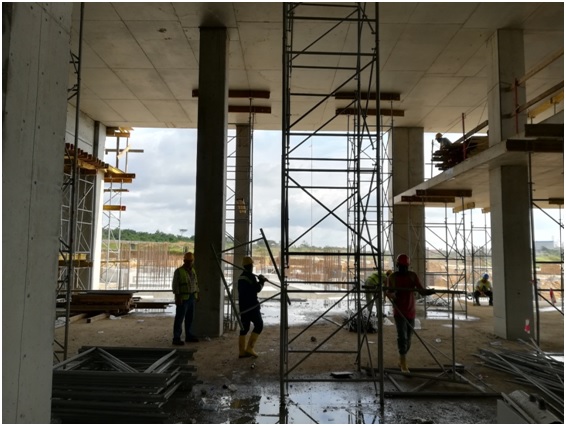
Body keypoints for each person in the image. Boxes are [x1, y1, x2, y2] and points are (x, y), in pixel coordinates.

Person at [385, 254, 434, 373]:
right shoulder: (392, 277)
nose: (403, 269)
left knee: (409, 339)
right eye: (401, 267)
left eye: (405, 267)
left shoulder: (412, 276)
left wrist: (428, 292)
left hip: (410, 311)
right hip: (399, 311)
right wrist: (392, 295)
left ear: (408, 266)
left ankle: (402, 358)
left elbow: (420, 290)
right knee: (402, 336)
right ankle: (403, 363)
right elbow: (388, 292)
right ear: (397, 266)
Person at [238, 256, 267, 358]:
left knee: (244, 328)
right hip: (252, 306)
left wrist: (259, 280)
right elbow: (257, 289)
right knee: (259, 325)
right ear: (250, 266)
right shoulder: (250, 277)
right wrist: (262, 281)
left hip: (243, 307)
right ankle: (250, 348)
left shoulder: (241, 277)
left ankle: (242, 352)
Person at [172, 252, 199, 345]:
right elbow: (175, 286)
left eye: (191, 261)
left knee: (189, 318)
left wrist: (197, 294)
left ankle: (189, 335)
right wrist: (177, 297)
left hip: (192, 297)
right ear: (184, 261)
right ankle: (176, 338)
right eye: (188, 261)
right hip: (183, 298)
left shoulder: (193, 271)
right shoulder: (179, 271)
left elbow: (195, 283)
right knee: (179, 318)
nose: (189, 263)